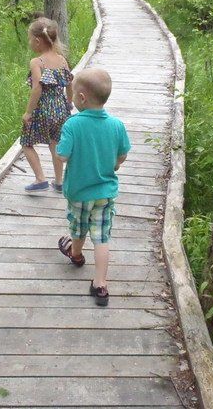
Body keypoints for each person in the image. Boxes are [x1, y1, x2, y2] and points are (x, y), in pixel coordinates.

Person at [55, 68, 131, 306]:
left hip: (78, 193)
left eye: (74, 94)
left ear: (82, 98)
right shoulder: (117, 125)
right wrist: (114, 165)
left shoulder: (72, 124)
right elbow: (122, 155)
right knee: (101, 237)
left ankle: (76, 254)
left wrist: (61, 146)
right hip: (105, 193)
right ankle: (100, 285)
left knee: (78, 228)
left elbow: (63, 155)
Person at [20, 17, 73, 193]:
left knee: (27, 142)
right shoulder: (62, 60)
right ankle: (59, 182)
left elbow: (37, 89)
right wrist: (69, 103)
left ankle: (40, 179)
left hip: (43, 109)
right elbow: (70, 83)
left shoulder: (37, 62)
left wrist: (28, 112)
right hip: (61, 108)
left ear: (37, 41)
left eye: (30, 39)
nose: (30, 42)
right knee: (55, 143)